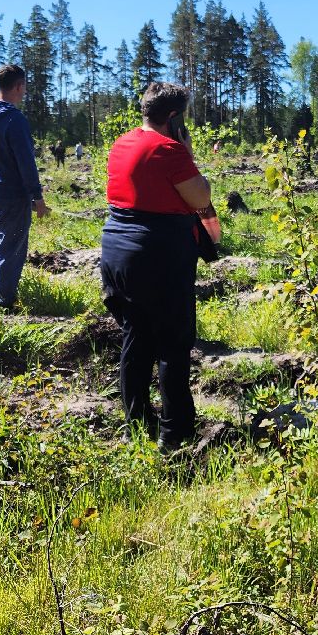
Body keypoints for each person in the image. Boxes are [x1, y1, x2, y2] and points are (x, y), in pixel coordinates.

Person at [101, 81, 212, 452]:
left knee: (137, 338)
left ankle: (137, 424)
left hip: (117, 253)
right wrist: (188, 151)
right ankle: (175, 434)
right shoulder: (170, 150)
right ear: (175, 116)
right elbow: (201, 197)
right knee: (173, 345)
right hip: (158, 257)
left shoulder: (122, 143)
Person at [0, 64, 49, 310]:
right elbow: (26, 161)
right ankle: (3, 303)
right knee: (10, 249)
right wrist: (37, 197)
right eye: (24, 87)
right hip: (13, 198)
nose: (24, 92)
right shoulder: (15, 119)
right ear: (18, 86)